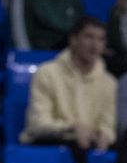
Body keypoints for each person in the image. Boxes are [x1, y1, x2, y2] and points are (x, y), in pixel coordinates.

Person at [22, 17, 116, 150]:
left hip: (90, 145)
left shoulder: (109, 82)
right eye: (89, 37)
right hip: (51, 145)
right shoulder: (46, 73)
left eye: (101, 39)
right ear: (73, 40)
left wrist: (104, 135)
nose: (95, 45)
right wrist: (71, 128)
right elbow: (37, 124)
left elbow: (108, 125)